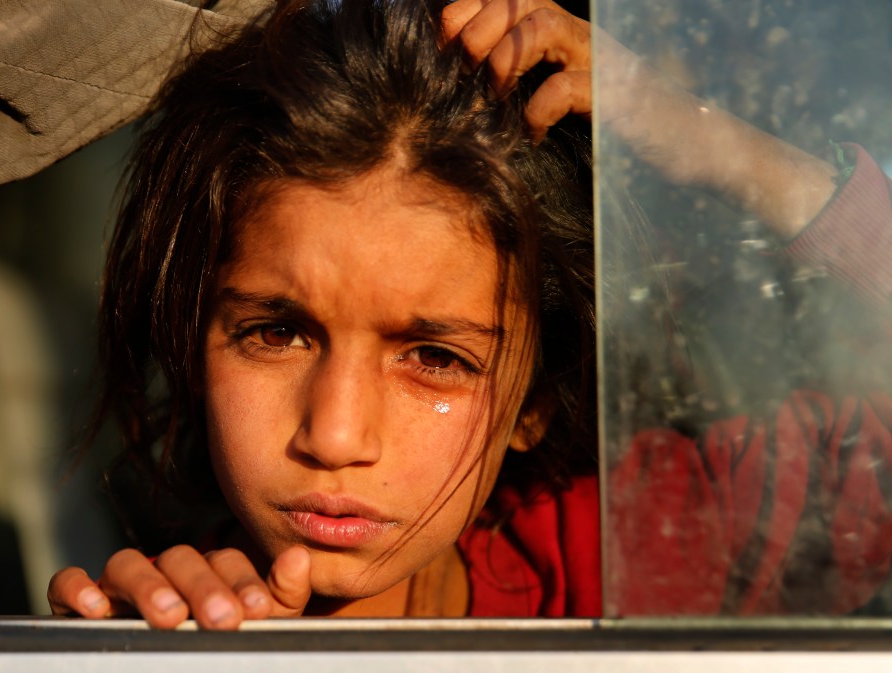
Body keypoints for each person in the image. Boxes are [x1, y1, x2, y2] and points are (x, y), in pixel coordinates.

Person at [46, 0, 892, 627]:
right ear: (193, 345)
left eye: (436, 357)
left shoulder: (634, 552)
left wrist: (713, 144)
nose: (335, 436)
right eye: (276, 332)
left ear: (537, 402)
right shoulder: (169, 620)